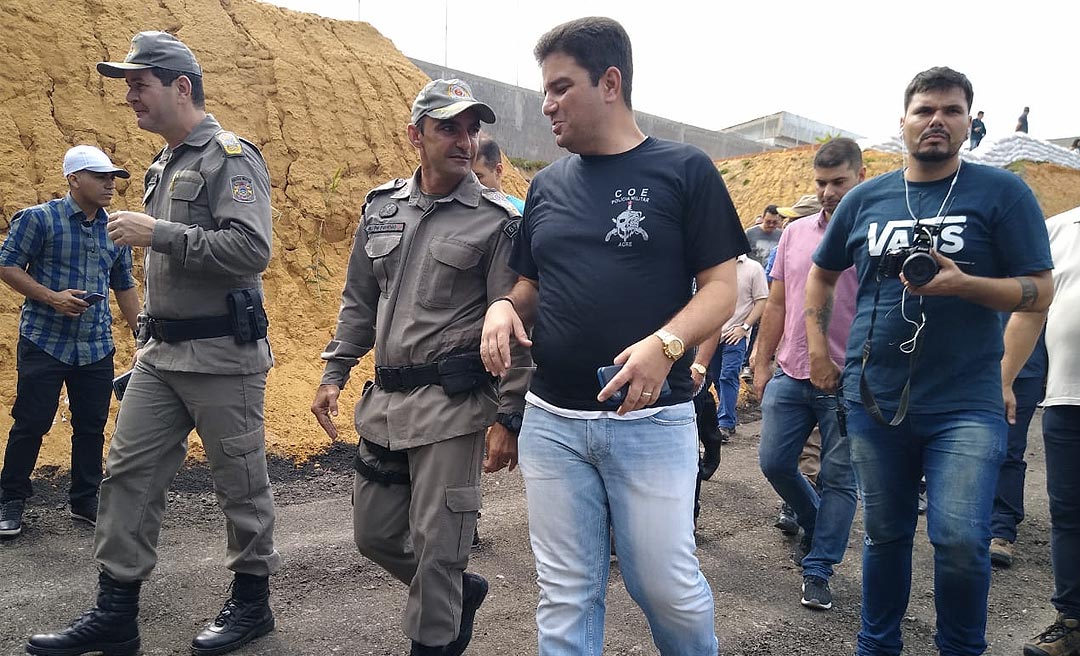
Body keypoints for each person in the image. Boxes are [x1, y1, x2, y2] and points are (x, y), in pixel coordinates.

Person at [480, 17, 747, 655]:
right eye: (545, 90)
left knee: (665, 587)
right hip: (552, 422)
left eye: (560, 87)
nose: (546, 104)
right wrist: (500, 306)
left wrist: (667, 345)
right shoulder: (546, 184)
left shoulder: (684, 170)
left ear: (609, 82)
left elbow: (722, 289)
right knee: (566, 591)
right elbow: (531, 285)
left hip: (651, 423)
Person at [28, 31, 280, 656]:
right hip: (161, 357)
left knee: (239, 483)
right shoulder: (161, 166)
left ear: (181, 87)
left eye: (140, 85)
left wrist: (160, 232)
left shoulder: (230, 158)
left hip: (223, 355)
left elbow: (253, 250)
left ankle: (252, 606)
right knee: (126, 477)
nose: (132, 97)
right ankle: (116, 612)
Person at [805, 66, 1053, 656]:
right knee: (886, 535)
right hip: (874, 399)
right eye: (924, 110)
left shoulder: (1003, 193)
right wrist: (819, 348)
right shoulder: (866, 198)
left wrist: (965, 286)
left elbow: (1038, 292)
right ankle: (876, 646)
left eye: (950, 110)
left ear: (970, 122)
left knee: (961, 539)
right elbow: (820, 274)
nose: (936, 120)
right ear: (903, 122)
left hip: (966, 401)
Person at [310, 78, 529, 656]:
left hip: (452, 407)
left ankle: (437, 627)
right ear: (416, 135)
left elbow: (517, 319)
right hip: (384, 404)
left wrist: (510, 414)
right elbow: (359, 299)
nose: (464, 140)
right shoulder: (381, 209)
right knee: (374, 534)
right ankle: (456, 592)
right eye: (449, 128)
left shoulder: (497, 220)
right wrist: (334, 372)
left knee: (439, 547)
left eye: (471, 129)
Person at [0, 146, 140, 538]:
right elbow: (6, 264)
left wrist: (142, 331)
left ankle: (85, 500)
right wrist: (51, 297)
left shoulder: (115, 228)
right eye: (100, 176)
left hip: (95, 345)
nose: (110, 183)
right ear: (74, 180)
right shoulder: (39, 220)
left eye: (113, 176)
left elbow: (123, 284)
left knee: (92, 425)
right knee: (31, 422)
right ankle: (10, 500)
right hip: (45, 341)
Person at [752, 137, 864, 611]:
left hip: (848, 379)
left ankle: (819, 568)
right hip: (792, 370)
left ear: (860, 177)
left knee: (840, 478)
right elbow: (777, 301)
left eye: (839, 182)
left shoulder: (875, 233)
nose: (828, 191)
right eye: (821, 182)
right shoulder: (795, 234)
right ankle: (814, 519)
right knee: (775, 461)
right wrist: (762, 358)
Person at [1014, 206, 1080, 656]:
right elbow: (1031, 307)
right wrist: (1003, 378)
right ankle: (1072, 621)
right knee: (1069, 514)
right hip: (1066, 398)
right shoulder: (1059, 227)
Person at [988, 323, 1046, 568]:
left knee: (1009, 449)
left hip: (1026, 365)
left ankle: (1001, 529)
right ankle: (964, 524)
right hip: (974, 360)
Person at [710, 255, 767, 442]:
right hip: (713, 333)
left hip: (737, 335)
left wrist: (744, 328)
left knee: (728, 375)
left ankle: (724, 423)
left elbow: (761, 300)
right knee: (717, 377)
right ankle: (729, 419)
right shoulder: (714, 265)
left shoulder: (753, 268)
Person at [472, 134, 526, 213]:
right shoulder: (460, 210)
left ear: (498, 171)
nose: (472, 182)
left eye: (478, 177)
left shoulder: (520, 212)